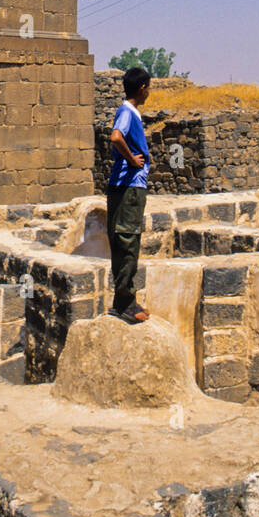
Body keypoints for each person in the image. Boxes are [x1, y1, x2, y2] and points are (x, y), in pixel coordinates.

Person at [107, 66, 152, 324]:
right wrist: (134, 161)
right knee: (128, 240)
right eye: (149, 88)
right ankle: (125, 303)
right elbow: (116, 137)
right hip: (129, 188)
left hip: (121, 187)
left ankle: (123, 300)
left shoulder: (128, 112)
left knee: (121, 240)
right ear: (142, 87)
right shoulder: (128, 112)